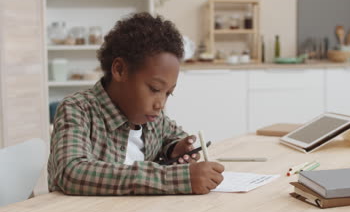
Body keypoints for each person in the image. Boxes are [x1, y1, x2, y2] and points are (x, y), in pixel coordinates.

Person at [47, 13, 224, 195]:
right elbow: (72, 173)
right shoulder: (77, 110)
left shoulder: (153, 118)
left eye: (168, 93)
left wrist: (176, 148)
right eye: (155, 89)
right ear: (120, 70)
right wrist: (177, 179)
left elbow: (175, 136)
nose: (161, 104)